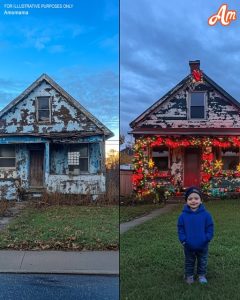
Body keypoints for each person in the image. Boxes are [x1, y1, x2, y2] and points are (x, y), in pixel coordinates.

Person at [177, 186, 214, 284]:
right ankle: (189, 276)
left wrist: (207, 238)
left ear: (201, 200)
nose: (193, 201)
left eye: (196, 198)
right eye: (190, 199)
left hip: (203, 244)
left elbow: (210, 227)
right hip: (188, 245)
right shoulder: (183, 216)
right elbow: (180, 229)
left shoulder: (206, 215)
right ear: (186, 201)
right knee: (189, 261)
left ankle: (201, 275)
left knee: (202, 261)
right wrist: (183, 240)